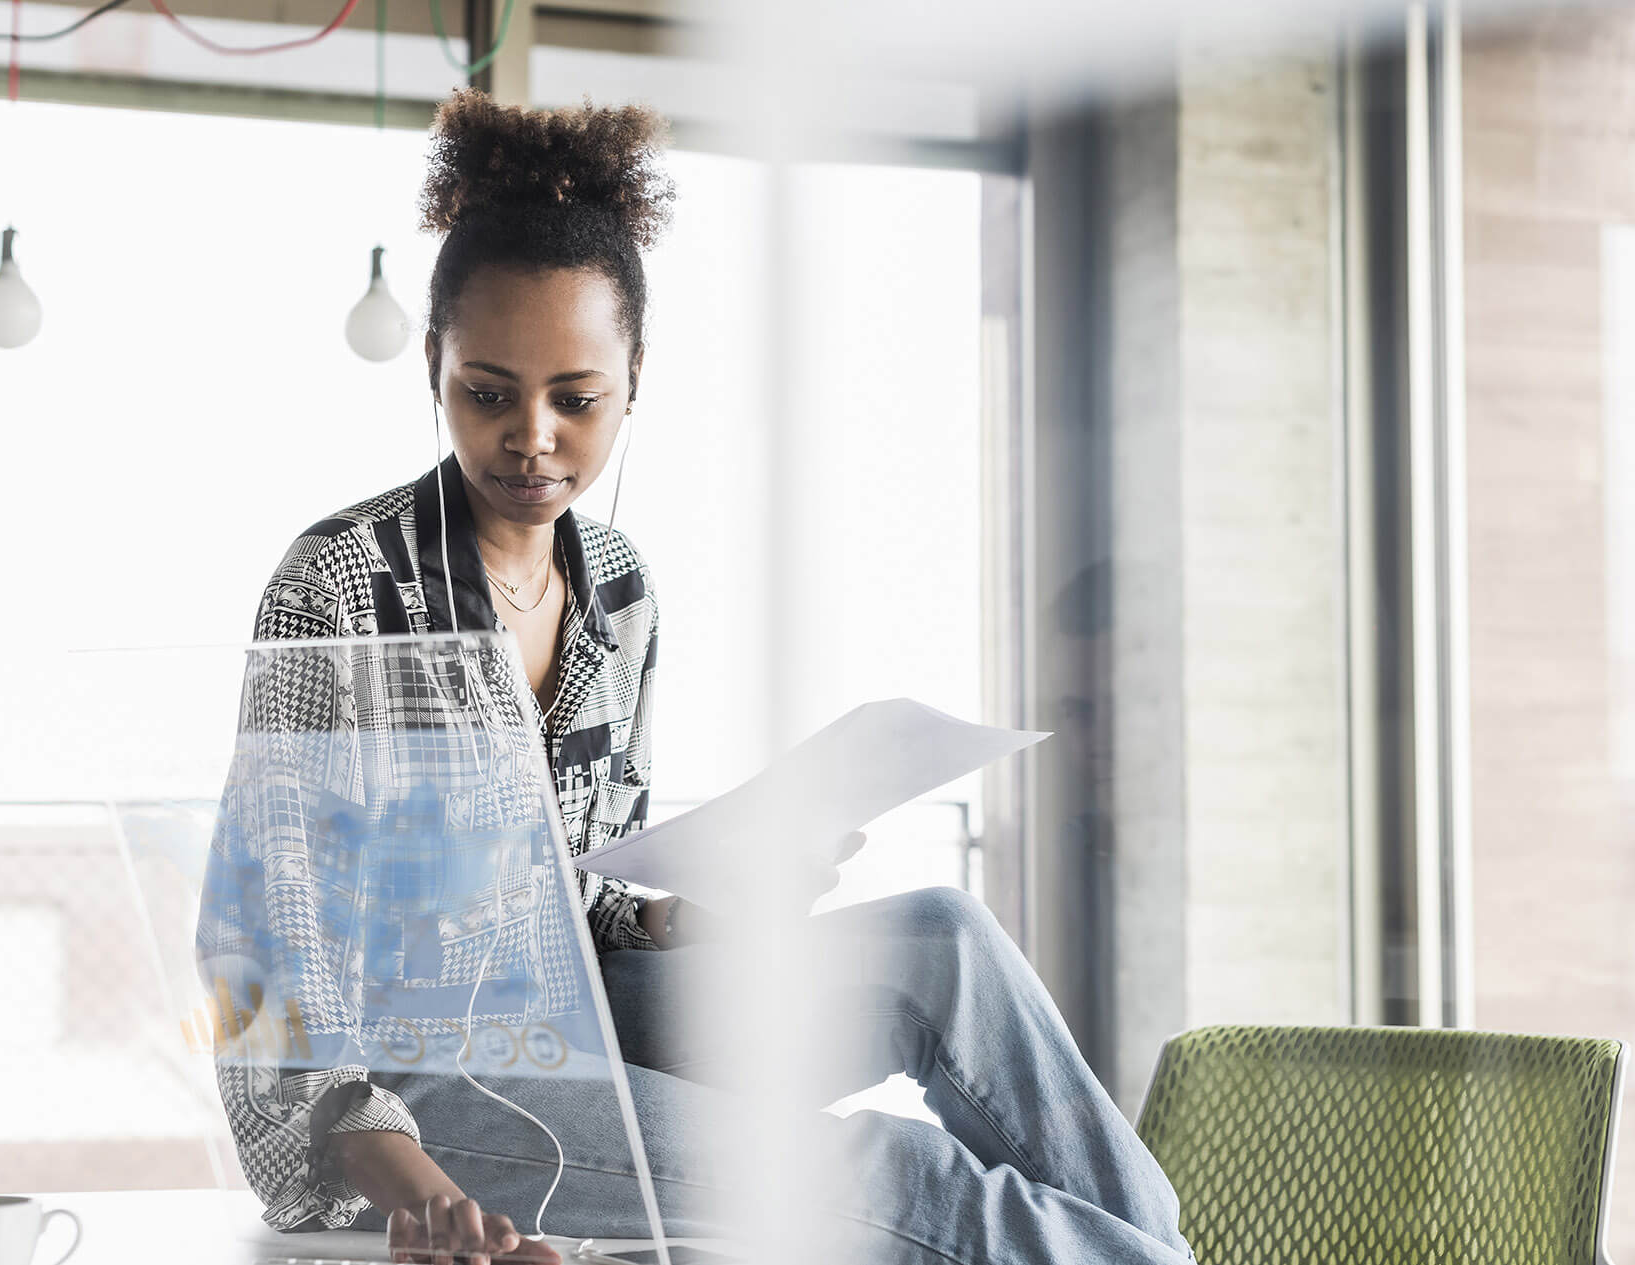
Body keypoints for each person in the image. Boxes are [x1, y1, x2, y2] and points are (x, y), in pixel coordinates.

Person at [202, 87, 1194, 1265]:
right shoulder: (339, 584)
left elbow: (591, 899)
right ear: (433, 363)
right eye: (489, 390)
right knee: (898, 1167)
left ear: (634, 379)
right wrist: (415, 1184)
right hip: (430, 1083)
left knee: (947, 939)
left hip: (589, 1014)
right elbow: (264, 961)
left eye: (577, 399)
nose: (533, 436)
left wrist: (706, 903)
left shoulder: (618, 589)